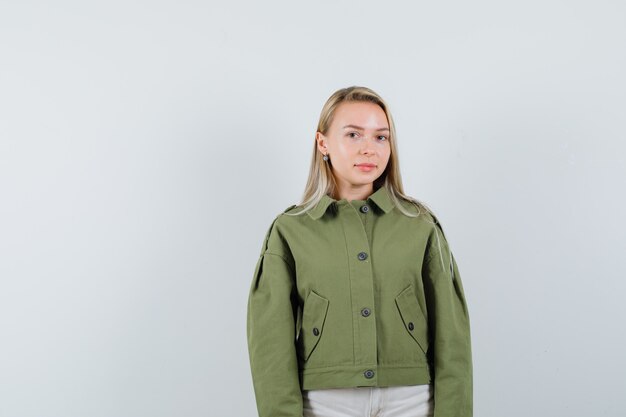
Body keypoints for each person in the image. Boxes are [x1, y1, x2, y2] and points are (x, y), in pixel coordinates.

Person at [246, 86, 473, 417]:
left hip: (411, 399)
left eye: (381, 138)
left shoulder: (419, 224)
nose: (369, 149)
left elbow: (453, 335)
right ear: (322, 143)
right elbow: (270, 342)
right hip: (324, 402)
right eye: (353, 135)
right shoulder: (290, 230)